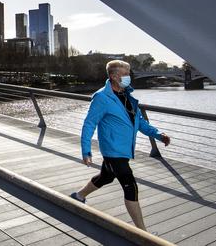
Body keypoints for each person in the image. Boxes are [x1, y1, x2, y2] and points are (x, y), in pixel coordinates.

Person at [70, 60, 170, 231]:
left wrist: (158, 134)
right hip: (112, 150)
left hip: (125, 149)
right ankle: (143, 234)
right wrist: (86, 150)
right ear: (113, 76)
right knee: (130, 186)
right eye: (125, 74)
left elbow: (139, 122)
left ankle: (78, 196)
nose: (128, 77)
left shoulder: (128, 97)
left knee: (106, 177)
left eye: (129, 73)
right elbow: (89, 124)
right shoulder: (102, 97)